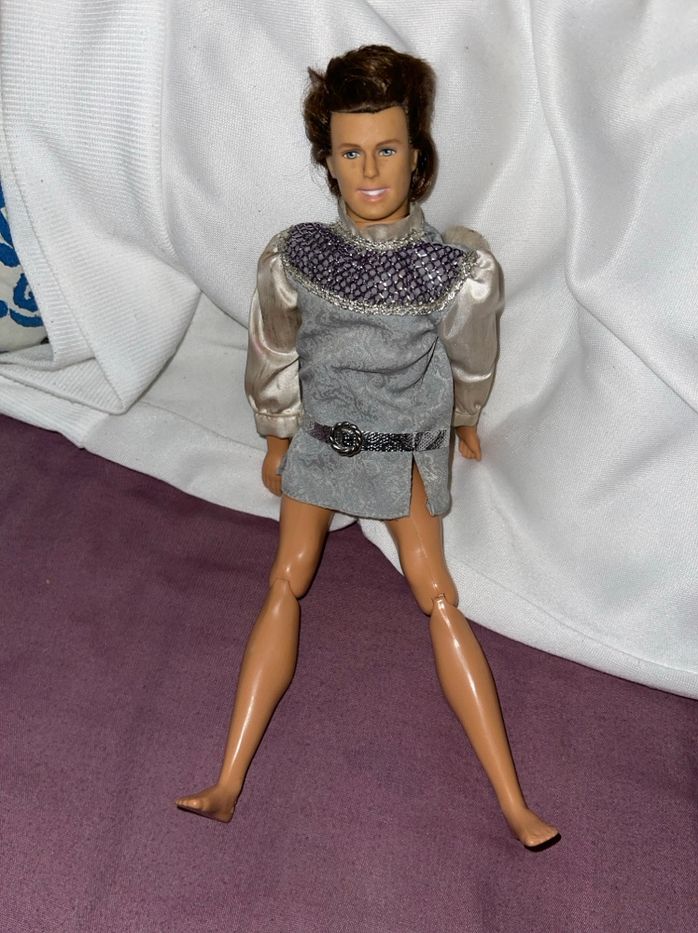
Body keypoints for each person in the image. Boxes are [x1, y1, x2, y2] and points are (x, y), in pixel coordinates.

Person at [177, 44, 560, 851]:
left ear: (417, 154)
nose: (371, 170)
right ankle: (228, 778)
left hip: (401, 447)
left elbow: (470, 354)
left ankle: (513, 799)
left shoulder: (451, 267)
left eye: (386, 148)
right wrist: (277, 430)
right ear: (328, 160)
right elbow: (272, 348)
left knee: (438, 593)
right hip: (321, 440)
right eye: (351, 153)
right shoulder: (297, 255)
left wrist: (465, 415)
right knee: (284, 580)